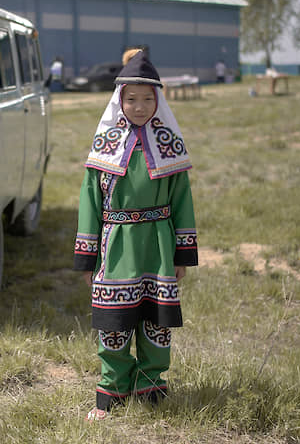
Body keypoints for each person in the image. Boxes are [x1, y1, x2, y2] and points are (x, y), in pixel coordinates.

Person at [73, 49, 198, 421]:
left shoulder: (170, 151)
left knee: (155, 323)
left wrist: (181, 255)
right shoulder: (104, 150)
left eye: (147, 99)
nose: (139, 106)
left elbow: (182, 203)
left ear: (158, 101)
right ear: (119, 100)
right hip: (116, 246)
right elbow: (89, 204)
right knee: (113, 323)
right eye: (131, 99)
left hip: (157, 245)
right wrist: (86, 256)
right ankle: (112, 390)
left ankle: (151, 385)